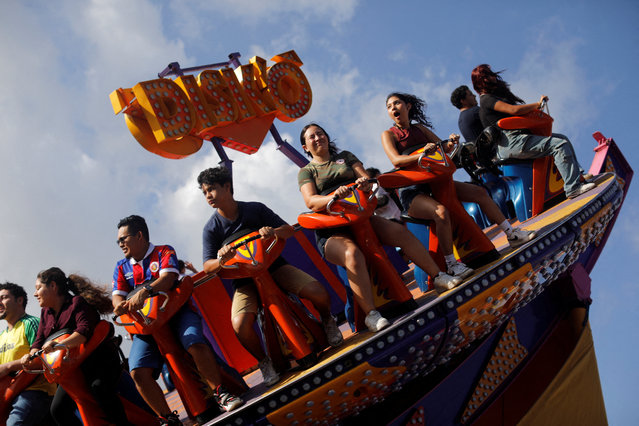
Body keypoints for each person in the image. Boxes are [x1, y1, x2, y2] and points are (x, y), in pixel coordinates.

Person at [198, 167, 344, 387]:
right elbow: (208, 265)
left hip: (276, 268)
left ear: (227, 187)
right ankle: (264, 361)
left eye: (211, 189)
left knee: (317, 292)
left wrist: (272, 232)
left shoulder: (255, 209)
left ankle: (327, 320)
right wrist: (221, 259)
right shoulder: (211, 229)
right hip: (244, 282)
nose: (208, 195)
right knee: (240, 325)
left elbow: (287, 229)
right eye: (204, 192)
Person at [298, 123, 462, 317]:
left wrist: (364, 183)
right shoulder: (307, 172)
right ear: (305, 147)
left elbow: (367, 180)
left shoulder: (346, 157)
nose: (318, 138)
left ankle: (438, 276)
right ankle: (371, 315)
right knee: (352, 254)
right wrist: (333, 197)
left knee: (400, 233)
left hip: (361, 218)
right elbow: (311, 201)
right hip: (333, 230)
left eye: (320, 133)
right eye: (312, 137)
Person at [112, 215, 243, 424]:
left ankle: (221, 393)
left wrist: (145, 291)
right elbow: (117, 295)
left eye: (123, 239)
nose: (120, 244)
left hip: (177, 313)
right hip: (147, 327)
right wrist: (118, 304)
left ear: (139, 236)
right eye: (118, 241)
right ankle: (167, 419)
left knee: (195, 344)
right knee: (137, 372)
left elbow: (168, 279)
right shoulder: (121, 267)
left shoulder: (164, 251)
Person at [382, 92, 537, 251]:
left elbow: (442, 148)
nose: (393, 108)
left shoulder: (420, 128)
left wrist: (451, 143)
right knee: (441, 213)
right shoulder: (389, 134)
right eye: (389, 106)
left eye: (396, 103)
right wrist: (422, 154)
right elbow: (396, 160)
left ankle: (512, 234)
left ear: (408, 106)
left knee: (479, 193)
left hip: (436, 183)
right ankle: (451, 265)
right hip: (413, 191)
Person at [20, 268, 129, 426]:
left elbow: (83, 331)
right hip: (72, 369)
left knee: (99, 388)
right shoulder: (45, 313)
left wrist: (59, 345)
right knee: (58, 410)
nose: (35, 294)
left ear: (53, 286)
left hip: (99, 362)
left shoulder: (77, 303)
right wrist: (29, 355)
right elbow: (38, 341)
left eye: (38, 288)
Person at [471, 64, 595, 199]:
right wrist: (537, 104)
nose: (494, 76)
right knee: (559, 145)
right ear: (483, 80)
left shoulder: (492, 97)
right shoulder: (486, 99)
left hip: (515, 139)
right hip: (512, 141)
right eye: (489, 75)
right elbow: (514, 110)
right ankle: (573, 188)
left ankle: (577, 176)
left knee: (562, 138)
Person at [0, 282, 55, 425]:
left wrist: (8, 366)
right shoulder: (2, 336)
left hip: (35, 391)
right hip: (8, 394)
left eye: (3, 298)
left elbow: (42, 357)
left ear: (19, 300)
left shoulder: (32, 323)